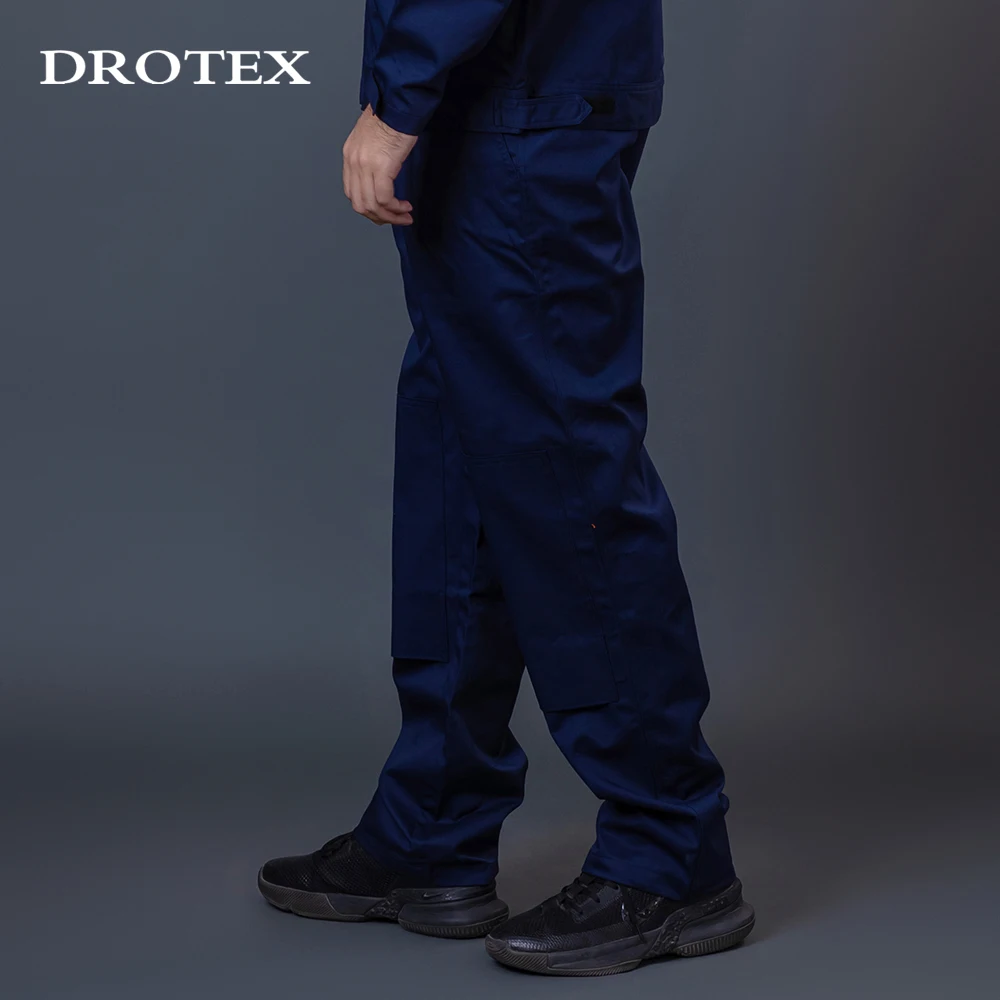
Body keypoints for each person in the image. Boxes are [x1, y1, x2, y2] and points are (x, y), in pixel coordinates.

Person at [258, 0, 754, 976]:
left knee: (564, 470)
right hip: (496, 101)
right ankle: (431, 828)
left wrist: (398, 97)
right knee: (460, 470)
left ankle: (672, 851)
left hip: (519, 106)